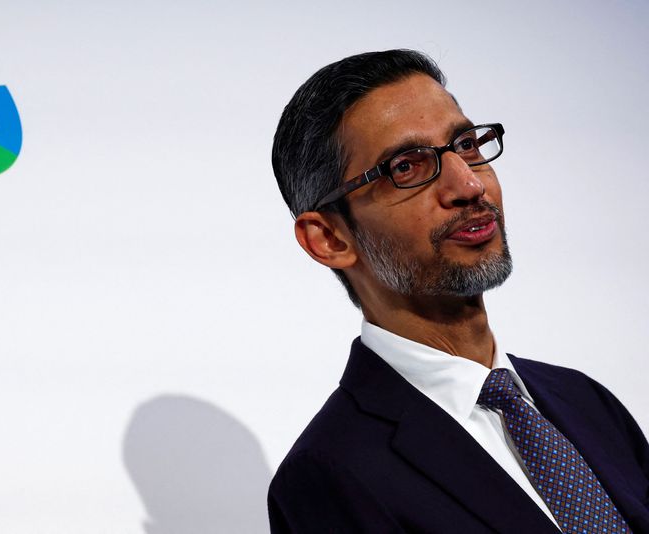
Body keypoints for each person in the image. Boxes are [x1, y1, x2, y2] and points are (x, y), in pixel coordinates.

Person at [267, 50, 649, 533]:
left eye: (465, 144)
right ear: (330, 239)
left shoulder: (586, 400)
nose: (469, 184)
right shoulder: (328, 475)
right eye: (406, 166)